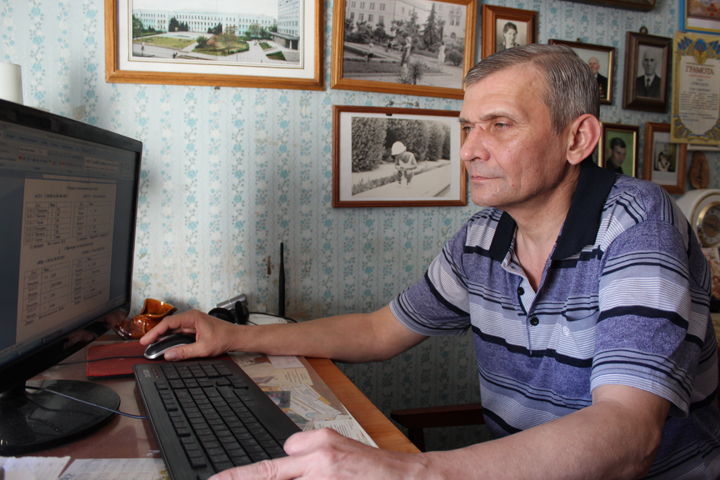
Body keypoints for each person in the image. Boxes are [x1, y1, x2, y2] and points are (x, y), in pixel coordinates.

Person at [141, 44, 720, 480]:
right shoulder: (481, 238)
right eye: (468, 128)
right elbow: (379, 331)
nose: (468, 150)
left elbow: (629, 433)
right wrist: (234, 336)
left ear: (578, 139)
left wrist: (414, 470)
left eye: (500, 125)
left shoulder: (638, 223)